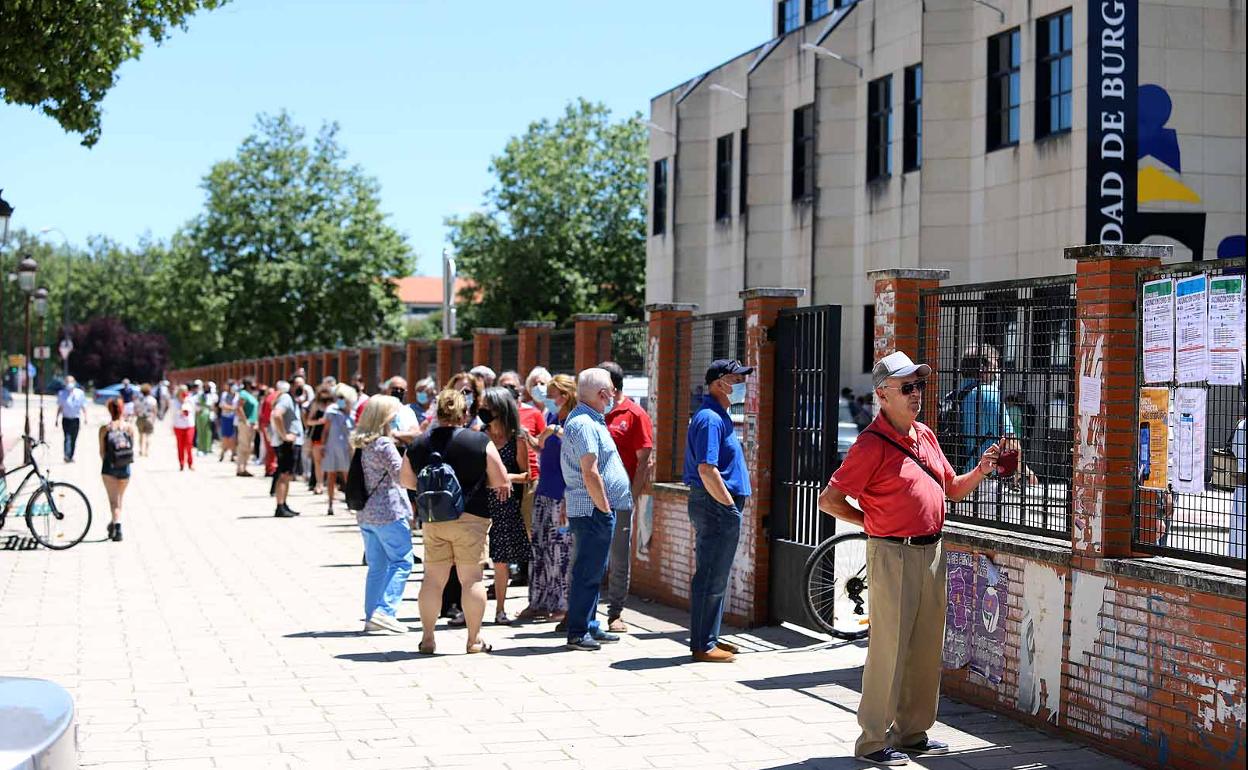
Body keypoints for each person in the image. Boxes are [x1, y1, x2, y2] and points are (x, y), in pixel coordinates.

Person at [818, 351, 1001, 766]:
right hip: (892, 553)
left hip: (932, 551)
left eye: (918, 385)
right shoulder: (870, 445)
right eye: (906, 387)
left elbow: (951, 488)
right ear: (883, 395)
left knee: (924, 646)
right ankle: (871, 741)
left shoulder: (926, 435)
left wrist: (982, 469)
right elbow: (829, 500)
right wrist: (871, 521)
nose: (916, 393)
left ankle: (912, 733)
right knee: (889, 648)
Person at [401, 388, 512, 654]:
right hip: (472, 518)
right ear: (465, 413)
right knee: (471, 579)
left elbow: (405, 480)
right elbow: (500, 479)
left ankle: (428, 639)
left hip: (434, 519)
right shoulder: (478, 441)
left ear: (438, 412)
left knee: (432, 580)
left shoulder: (419, 443)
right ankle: (473, 640)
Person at [683, 359, 753, 663]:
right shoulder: (710, 418)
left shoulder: (718, 415)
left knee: (715, 575)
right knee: (711, 575)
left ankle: (708, 637)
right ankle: (703, 645)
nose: (741, 384)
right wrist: (728, 507)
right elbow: (707, 469)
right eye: (735, 378)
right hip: (715, 504)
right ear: (718, 383)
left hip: (717, 503)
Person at [560, 368, 632, 651]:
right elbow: (590, 472)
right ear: (603, 394)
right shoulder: (585, 425)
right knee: (588, 572)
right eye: (611, 391)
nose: (614, 395)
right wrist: (603, 508)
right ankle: (578, 632)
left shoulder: (589, 421)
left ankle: (589, 624)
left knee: (593, 570)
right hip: (593, 510)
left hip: (595, 509)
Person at [350, 395, 416, 635]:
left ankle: (372, 616)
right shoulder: (385, 445)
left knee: (377, 565)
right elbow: (401, 477)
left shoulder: (362, 443)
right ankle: (385, 612)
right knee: (403, 561)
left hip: (366, 512)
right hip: (389, 511)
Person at [600, 361, 654, 633]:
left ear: (611, 385)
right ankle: (578, 610)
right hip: (590, 495)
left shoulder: (634, 414)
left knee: (619, 556)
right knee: (584, 554)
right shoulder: (593, 411)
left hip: (619, 497)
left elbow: (643, 460)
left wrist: (630, 497)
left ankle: (616, 612)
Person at [525, 373, 576, 623]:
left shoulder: (574, 420)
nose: (548, 400)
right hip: (544, 489)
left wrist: (555, 430)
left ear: (565, 396)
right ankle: (538, 602)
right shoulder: (552, 417)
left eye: (552, 396)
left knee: (560, 551)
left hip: (562, 493)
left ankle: (562, 605)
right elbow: (543, 448)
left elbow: (577, 449)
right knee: (540, 548)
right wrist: (530, 440)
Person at [479, 387, 531, 625]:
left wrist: (506, 478)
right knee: (475, 559)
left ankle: (500, 609)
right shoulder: (480, 434)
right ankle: (468, 607)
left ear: (500, 409)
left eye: (487, 407)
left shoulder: (516, 438)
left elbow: (526, 474)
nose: (482, 411)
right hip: (480, 503)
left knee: (501, 560)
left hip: (505, 505)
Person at [99, 398, 135, 543]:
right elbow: (133, 449)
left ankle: (117, 527)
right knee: (120, 499)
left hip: (109, 468)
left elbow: (101, 452)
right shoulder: (129, 427)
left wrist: (109, 463)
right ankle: (114, 523)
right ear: (122, 410)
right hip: (125, 468)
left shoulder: (105, 429)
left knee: (113, 501)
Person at [269, 380, 304, 518]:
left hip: (292, 443)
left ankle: (283, 504)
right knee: (284, 474)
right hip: (287, 444)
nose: (301, 387)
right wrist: (284, 435)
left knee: (288, 475)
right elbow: (277, 415)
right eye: (298, 384)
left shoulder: (292, 400)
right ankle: (280, 506)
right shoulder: (286, 398)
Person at [321, 384, 357, 515]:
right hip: (332, 448)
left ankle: (350, 503)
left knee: (348, 477)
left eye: (343, 397)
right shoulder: (331, 411)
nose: (340, 399)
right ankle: (330, 504)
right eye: (339, 397)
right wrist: (322, 446)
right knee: (331, 476)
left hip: (346, 450)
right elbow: (325, 431)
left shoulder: (352, 414)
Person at [305, 385, 332, 493]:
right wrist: (319, 421)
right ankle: (319, 484)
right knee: (318, 461)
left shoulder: (335, 404)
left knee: (331, 461)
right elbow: (309, 421)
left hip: (332, 436)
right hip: (318, 436)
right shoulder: (316, 404)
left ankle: (331, 485)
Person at [55, 376, 88, 463]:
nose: (69, 384)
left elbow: (83, 406)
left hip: (76, 419)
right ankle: (66, 455)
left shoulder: (80, 393)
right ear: (65, 383)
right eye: (67, 382)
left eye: (71, 382)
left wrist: (86, 417)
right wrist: (56, 418)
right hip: (66, 419)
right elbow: (60, 407)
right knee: (67, 438)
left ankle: (71, 456)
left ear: (74, 382)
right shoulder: (62, 393)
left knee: (74, 438)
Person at [235, 378, 259, 477]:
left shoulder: (251, 395)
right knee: (243, 445)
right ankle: (240, 468)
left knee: (249, 446)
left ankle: (244, 467)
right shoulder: (243, 394)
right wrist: (246, 421)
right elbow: (239, 407)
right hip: (246, 423)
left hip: (252, 423)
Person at [173, 384, 197, 471]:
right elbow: (174, 412)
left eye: (185, 391)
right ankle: (181, 463)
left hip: (189, 425)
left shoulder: (190, 400)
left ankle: (190, 463)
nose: (183, 393)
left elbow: (194, 409)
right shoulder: (175, 402)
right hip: (178, 426)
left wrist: (186, 402)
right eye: (181, 392)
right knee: (180, 446)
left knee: (189, 444)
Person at [259, 383, 280, 478]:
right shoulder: (272, 399)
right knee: (272, 449)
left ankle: (269, 468)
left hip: (266, 425)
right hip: (270, 425)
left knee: (269, 449)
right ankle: (271, 468)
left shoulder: (266, 399)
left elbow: (261, 415)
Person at [134, 383, 157, 457]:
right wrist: (153, 419)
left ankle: (141, 450)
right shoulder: (152, 400)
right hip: (149, 418)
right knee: (148, 436)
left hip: (140, 418)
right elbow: (155, 411)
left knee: (140, 435)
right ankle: (146, 452)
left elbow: (135, 410)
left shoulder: (138, 399)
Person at [218, 380, 238, 462]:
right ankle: (223, 453)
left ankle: (233, 454)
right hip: (225, 417)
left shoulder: (237, 395)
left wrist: (229, 407)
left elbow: (236, 407)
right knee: (225, 436)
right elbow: (222, 405)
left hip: (234, 418)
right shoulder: (224, 394)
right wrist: (232, 408)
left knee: (233, 437)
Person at [195, 382, 215, 456]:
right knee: (200, 432)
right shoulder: (200, 395)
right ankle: (200, 448)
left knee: (208, 432)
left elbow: (212, 406)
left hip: (208, 415)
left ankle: (207, 448)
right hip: (201, 414)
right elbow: (197, 405)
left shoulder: (211, 396)